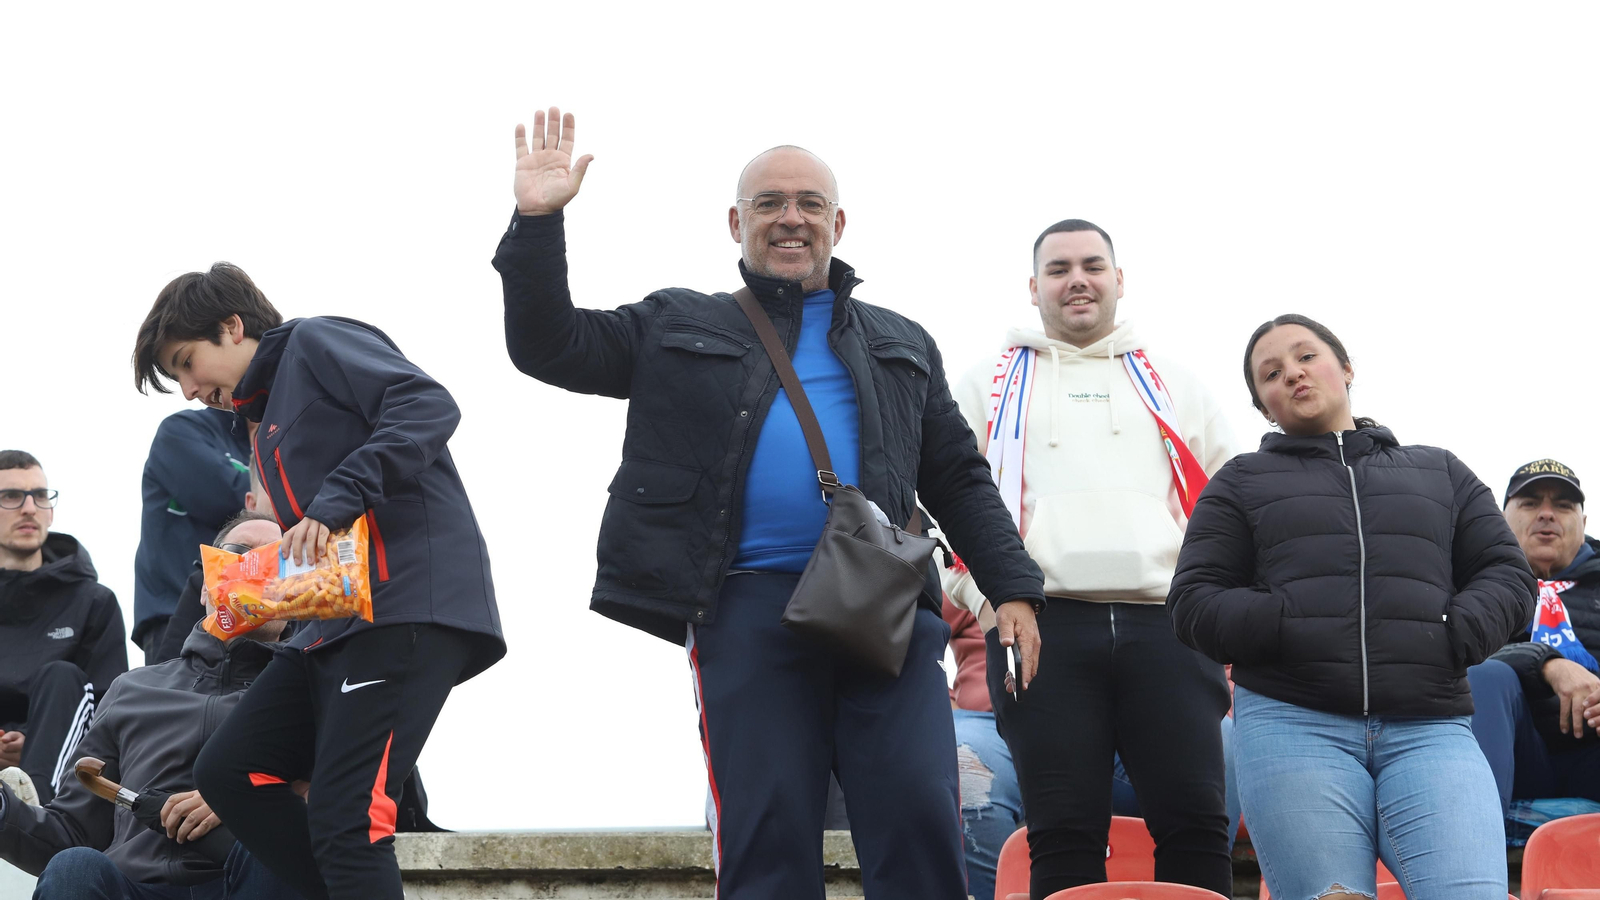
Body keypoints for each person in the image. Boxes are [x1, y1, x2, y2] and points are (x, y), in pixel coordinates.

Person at [494, 108, 1045, 899]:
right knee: (766, 832)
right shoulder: (678, 322)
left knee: (922, 817)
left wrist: (1014, 584)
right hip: (744, 609)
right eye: (770, 203)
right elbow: (549, 346)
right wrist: (538, 223)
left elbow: (957, 474)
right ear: (736, 221)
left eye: (810, 204)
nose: (791, 218)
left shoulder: (902, 340)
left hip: (882, 609)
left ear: (839, 222)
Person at [131, 262, 504, 900]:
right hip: (331, 626)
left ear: (233, 326)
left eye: (188, 362)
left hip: (404, 606)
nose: (190, 389)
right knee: (227, 770)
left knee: (347, 818)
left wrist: (335, 501)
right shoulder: (258, 420)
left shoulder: (315, 342)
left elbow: (427, 403)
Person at [1169, 313, 1536, 900]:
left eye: (1305, 356)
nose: (1292, 373)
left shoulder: (1441, 471)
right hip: (1293, 725)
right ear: (1263, 406)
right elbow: (1192, 601)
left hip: (1431, 728)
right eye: (1270, 373)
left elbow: (1509, 575)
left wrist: (1454, 630)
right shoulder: (1239, 482)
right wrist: (1285, 623)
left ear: (1345, 368)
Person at [941, 219, 1238, 896]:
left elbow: (1230, 506)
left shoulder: (1177, 384)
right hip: (1037, 623)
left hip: (1169, 624)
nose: (1077, 279)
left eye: (1093, 265)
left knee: (1196, 823)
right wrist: (985, 599)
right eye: (1059, 268)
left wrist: (1214, 601)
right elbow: (939, 506)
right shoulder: (983, 385)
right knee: (1063, 829)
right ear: (1033, 286)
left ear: (1119, 279)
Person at [0, 511, 298, 899]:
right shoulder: (133, 690)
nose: (256, 568)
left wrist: (246, 802)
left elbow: (347, 799)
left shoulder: (307, 690)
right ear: (207, 586)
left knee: (276, 845)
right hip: (136, 888)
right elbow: (70, 833)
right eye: (240, 553)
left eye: (277, 560)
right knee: (74, 867)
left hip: (253, 882)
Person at [1468, 460, 1600, 814]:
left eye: (1563, 505)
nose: (1546, 514)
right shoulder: (1470, 586)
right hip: (1514, 758)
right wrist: (1548, 664)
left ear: (1583, 523)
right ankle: (1475, 835)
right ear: (1501, 517)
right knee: (1482, 674)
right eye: (1529, 503)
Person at [0, 450, 128, 807]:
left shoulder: (92, 601)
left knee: (61, 675)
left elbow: (109, 709)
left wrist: (35, 740)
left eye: (40, 496)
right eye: (11, 496)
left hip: (59, 777)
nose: (29, 508)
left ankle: (33, 819)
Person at [132, 408, 252, 664]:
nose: (189, 390)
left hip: (257, 615)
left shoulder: (281, 439)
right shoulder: (181, 431)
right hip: (176, 615)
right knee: (171, 702)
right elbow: (228, 498)